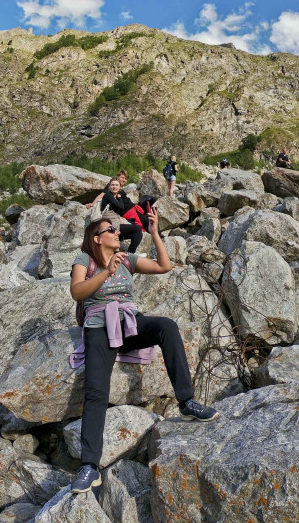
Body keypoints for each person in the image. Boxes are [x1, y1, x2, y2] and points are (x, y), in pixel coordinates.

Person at [68, 210, 218, 494]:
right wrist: (105, 272)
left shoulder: (126, 259)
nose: (117, 232)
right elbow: (77, 292)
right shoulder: (84, 260)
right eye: (110, 230)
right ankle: (89, 466)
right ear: (97, 239)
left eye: (116, 229)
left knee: (166, 327)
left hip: (128, 322)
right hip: (99, 327)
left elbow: (164, 266)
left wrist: (154, 232)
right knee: (96, 390)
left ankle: (186, 402)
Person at [99, 176, 147, 254]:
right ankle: (129, 254)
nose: (114, 187)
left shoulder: (114, 197)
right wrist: (120, 198)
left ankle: (129, 254)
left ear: (120, 187)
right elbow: (121, 207)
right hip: (109, 227)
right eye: (112, 185)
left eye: (116, 185)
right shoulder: (108, 196)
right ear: (109, 186)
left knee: (137, 232)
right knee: (137, 229)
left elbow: (122, 207)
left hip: (115, 225)